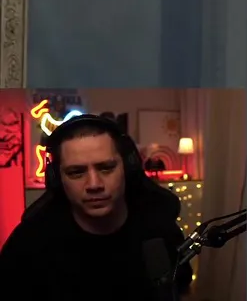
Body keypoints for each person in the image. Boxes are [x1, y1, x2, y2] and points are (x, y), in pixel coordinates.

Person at [0, 113, 194, 299]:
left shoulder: (160, 231)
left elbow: (182, 292)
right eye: (76, 172)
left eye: (106, 168)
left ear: (128, 168)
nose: (94, 184)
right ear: (57, 178)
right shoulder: (29, 244)